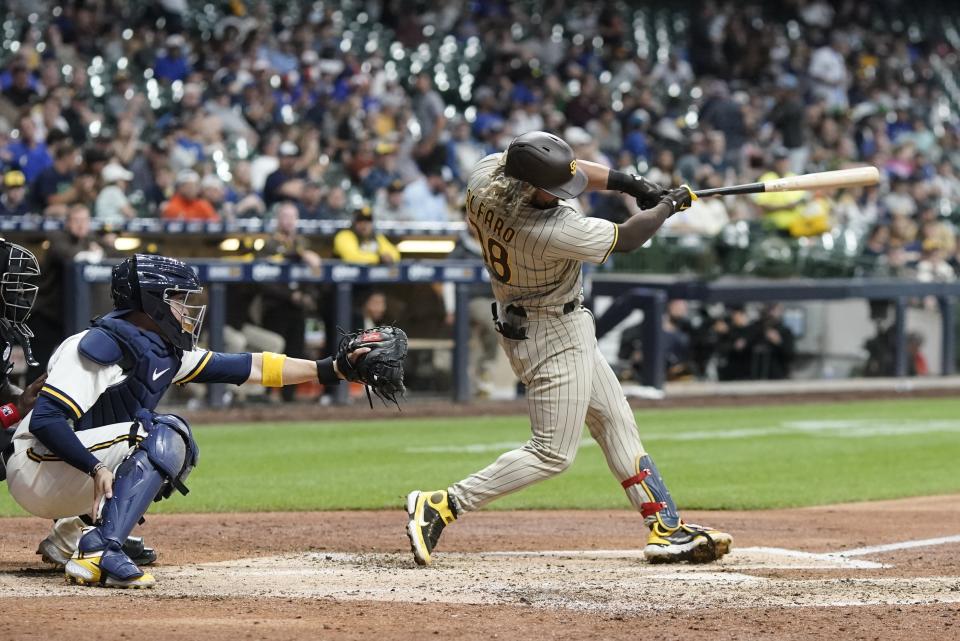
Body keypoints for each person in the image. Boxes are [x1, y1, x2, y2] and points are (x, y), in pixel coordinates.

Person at [406, 131, 732, 566]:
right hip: (549, 333)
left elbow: (571, 170)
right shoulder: (549, 229)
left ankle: (665, 527)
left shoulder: (486, 175)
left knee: (615, 421)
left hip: (547, 322)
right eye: (552, 187)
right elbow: (630, 238)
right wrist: (667, 206)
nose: (564, 191)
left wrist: (631, 183)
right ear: (528, 185)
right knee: (551, 453)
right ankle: (442, 505)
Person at [4, 253, 372, 588]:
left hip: (61, 471)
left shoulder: (162, 350)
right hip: (36, 466)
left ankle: (74, 533)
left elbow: (252, 366)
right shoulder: (99, 344)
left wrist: (331, 369)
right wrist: (96, 466)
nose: (185, 309)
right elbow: (46, 422)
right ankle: (99, 548)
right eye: (176, 299)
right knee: (163, 433)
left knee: (173, 442)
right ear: (150, 302)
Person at [28, 204, 107, 381]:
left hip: (71, 318)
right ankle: (27, 406)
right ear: (68, 223)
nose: (80, 225)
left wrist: (101, 249)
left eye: (84, 221)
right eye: (76, 220)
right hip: (46, 315)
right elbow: (70, 255)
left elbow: (109, 252)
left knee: (72, 366)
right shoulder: (57, 238)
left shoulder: (90, 240)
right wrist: (92, 254)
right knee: (38, 367)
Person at [258, 202, 322, 403]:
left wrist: (307, 296)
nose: (288, 221)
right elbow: (262, 277)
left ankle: (289, 396)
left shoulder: (303, 242)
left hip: (298, 306)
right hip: (275, 306)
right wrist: (289, 295)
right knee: (272, 351)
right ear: (278, 219)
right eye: (284, 216)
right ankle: (267, 394)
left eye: (292, 217)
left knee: (295, 351)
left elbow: (315, 272)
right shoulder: (269, 243)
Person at [0, 240, 48, 482]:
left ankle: (72, 513)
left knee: (48, 432)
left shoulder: (3, 327)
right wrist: (16, 409)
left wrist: (26, 397)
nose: (19, 293)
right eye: (11, 285)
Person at [332, 206, 401, 265]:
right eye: (360, 221)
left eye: (368, 221)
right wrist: (379, 259)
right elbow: (352, 257)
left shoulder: (376, 237)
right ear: (354, 223)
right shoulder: (344, 236)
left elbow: (395, 253)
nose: (364, 225)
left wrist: (390, 258)